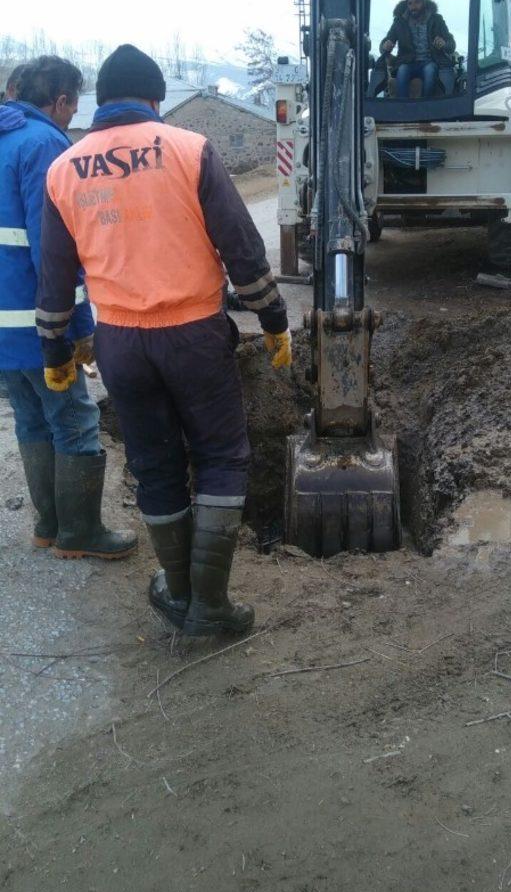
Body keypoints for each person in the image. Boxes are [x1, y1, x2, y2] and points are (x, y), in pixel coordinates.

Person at [37, 44, 292, 638]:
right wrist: (273, 320)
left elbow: (54, 278)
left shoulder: (64, 169)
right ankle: (211, 605)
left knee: (156, 467)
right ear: (155, 99)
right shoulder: (188, 149)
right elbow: (242, 249)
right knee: (221, 458)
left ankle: (178, 592)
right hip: (195, 335)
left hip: (120, 344)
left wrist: (56, 353)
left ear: (103, 102)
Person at [0, 56, 135, 559]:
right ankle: (80, 534)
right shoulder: (47, 147)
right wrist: (78, 328)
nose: (72, 116)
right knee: (74, 419)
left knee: (31, 421)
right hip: (40, 326)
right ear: (58, 101)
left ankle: (48, 526)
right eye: (72, 105)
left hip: (3, 328)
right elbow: (55, 254)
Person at [381, 0, 457, 99]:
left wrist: (444, 44)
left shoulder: (436, 20)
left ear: (424, 2)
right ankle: (402, 107)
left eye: (417, 2)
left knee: (430, 70)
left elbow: (451, 44)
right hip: (407, 63)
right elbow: (384, 43)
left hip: (430, 61)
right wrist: (385, 46)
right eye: (410, 3)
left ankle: (426, 105)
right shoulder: (399, 22)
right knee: (402, 70)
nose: (413, 7)